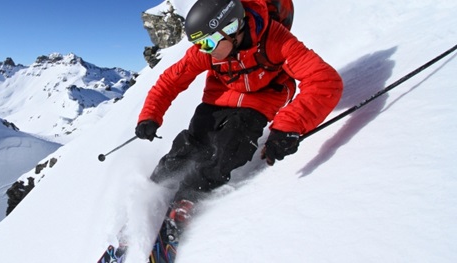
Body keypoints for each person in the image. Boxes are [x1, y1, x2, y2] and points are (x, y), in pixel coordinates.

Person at [134, 0, 343, 228]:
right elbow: (170, 81)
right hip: (218, 98)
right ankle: (155, 189)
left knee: (229, 147)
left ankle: (188, 198)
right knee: (191, 144)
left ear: (232, 28)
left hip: (260, 102)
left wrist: (287, 127)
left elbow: (324, 81)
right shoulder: (210, 50)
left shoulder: (276, 40)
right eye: (201, 44)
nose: (205, 50)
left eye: (208, 42)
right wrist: (150, 115)